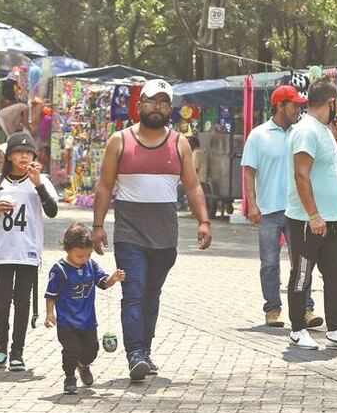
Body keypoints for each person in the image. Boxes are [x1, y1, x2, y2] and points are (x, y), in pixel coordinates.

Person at [92, 79, 212, 381]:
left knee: (151, 295)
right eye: (150, 101)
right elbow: (105, 185)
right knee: (134, 294)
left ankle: (144, 349)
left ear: (168, 108)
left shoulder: (178, 143)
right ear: (139, 104)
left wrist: (204, 221)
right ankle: (135, 354)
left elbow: (193, 185)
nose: (156, 107)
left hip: (165, 237)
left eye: (162, 102)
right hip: (129, 234)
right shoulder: (119, 141)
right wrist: (97, 226)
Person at [284, 80, 337, 351]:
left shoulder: (324, 130)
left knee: (334, 274)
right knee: (302, 275)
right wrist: (314, 215)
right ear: (332, 101)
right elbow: (301, 174)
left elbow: (327, 175)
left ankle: (335, 330)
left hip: (330, 219)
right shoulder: (306, 130)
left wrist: (333, 214)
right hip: (307, 220)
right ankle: (297, 329)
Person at [242, 85, 321, 329]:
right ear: (280, 105)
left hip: (297, 209)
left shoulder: (302, 133)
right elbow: (248, 172)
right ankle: (273, 309)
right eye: (294, 104)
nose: (299, 109)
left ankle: (306, 309)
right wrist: (252, 204)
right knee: (269, 262)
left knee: (301, 262)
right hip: (268, 210)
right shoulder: (258, 135)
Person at [0, 132, 59, 371]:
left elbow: (53, 211)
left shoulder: (40, 180)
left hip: (28, 250)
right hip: (4, 250)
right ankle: (0, 344)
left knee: (23, 302)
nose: (24, 156)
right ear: (10, 156)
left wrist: (38, 184)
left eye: (29, 152)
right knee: (2, 301)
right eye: (19, 152)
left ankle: (18, 350)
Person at [44, 223, 126, 395]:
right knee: (71, 350)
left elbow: (103, 283)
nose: (84, 259)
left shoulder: (91, 265)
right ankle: (69, 378)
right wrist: (50, 313)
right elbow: (51, 294)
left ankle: (84, 365)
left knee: (91, 350)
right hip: (67, 322)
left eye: (88, 255)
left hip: (88, 320)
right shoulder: (59, 270)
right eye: (79, 256)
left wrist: (114, 278)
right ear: (67, 250)